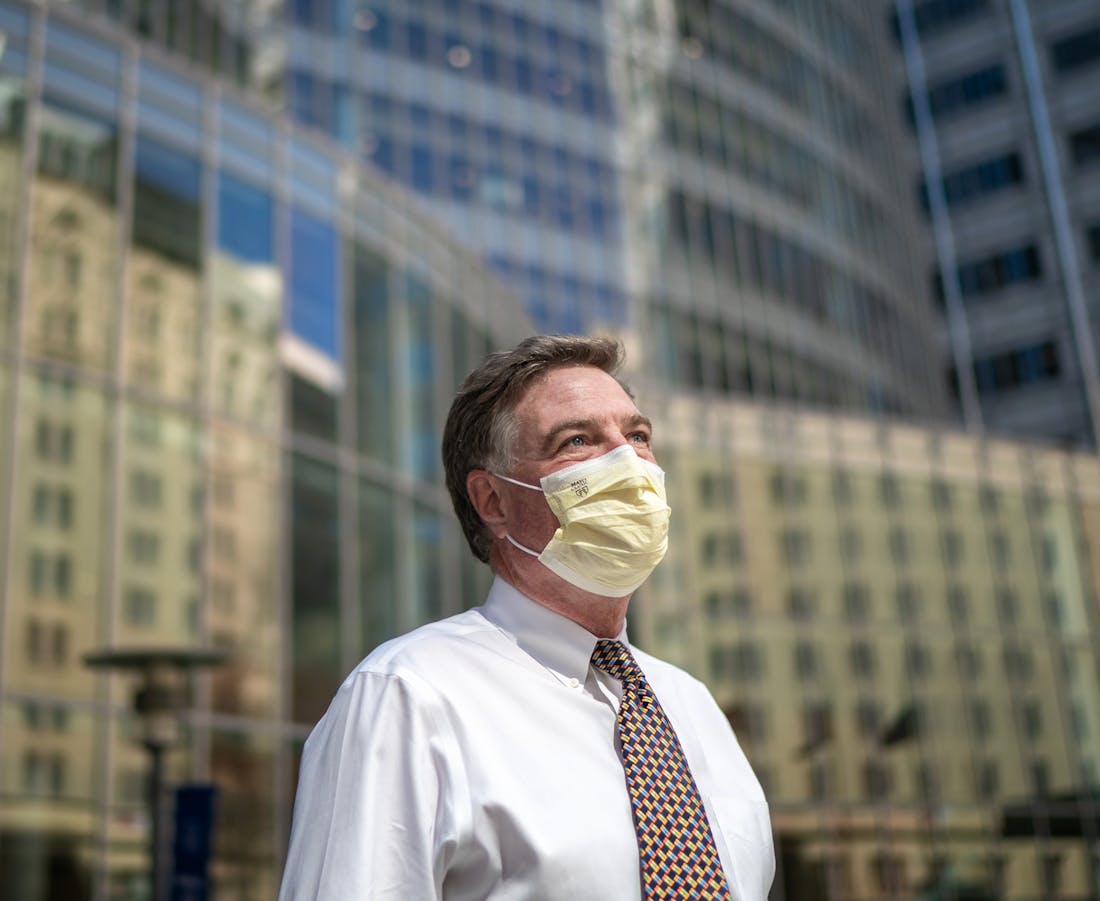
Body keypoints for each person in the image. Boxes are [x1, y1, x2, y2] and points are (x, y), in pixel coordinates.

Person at [280, 335, 773, 900]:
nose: (628, 460)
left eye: (637, 435)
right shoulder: (409, 695)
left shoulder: (692, 704)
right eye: (578, 440)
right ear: (493, 501)